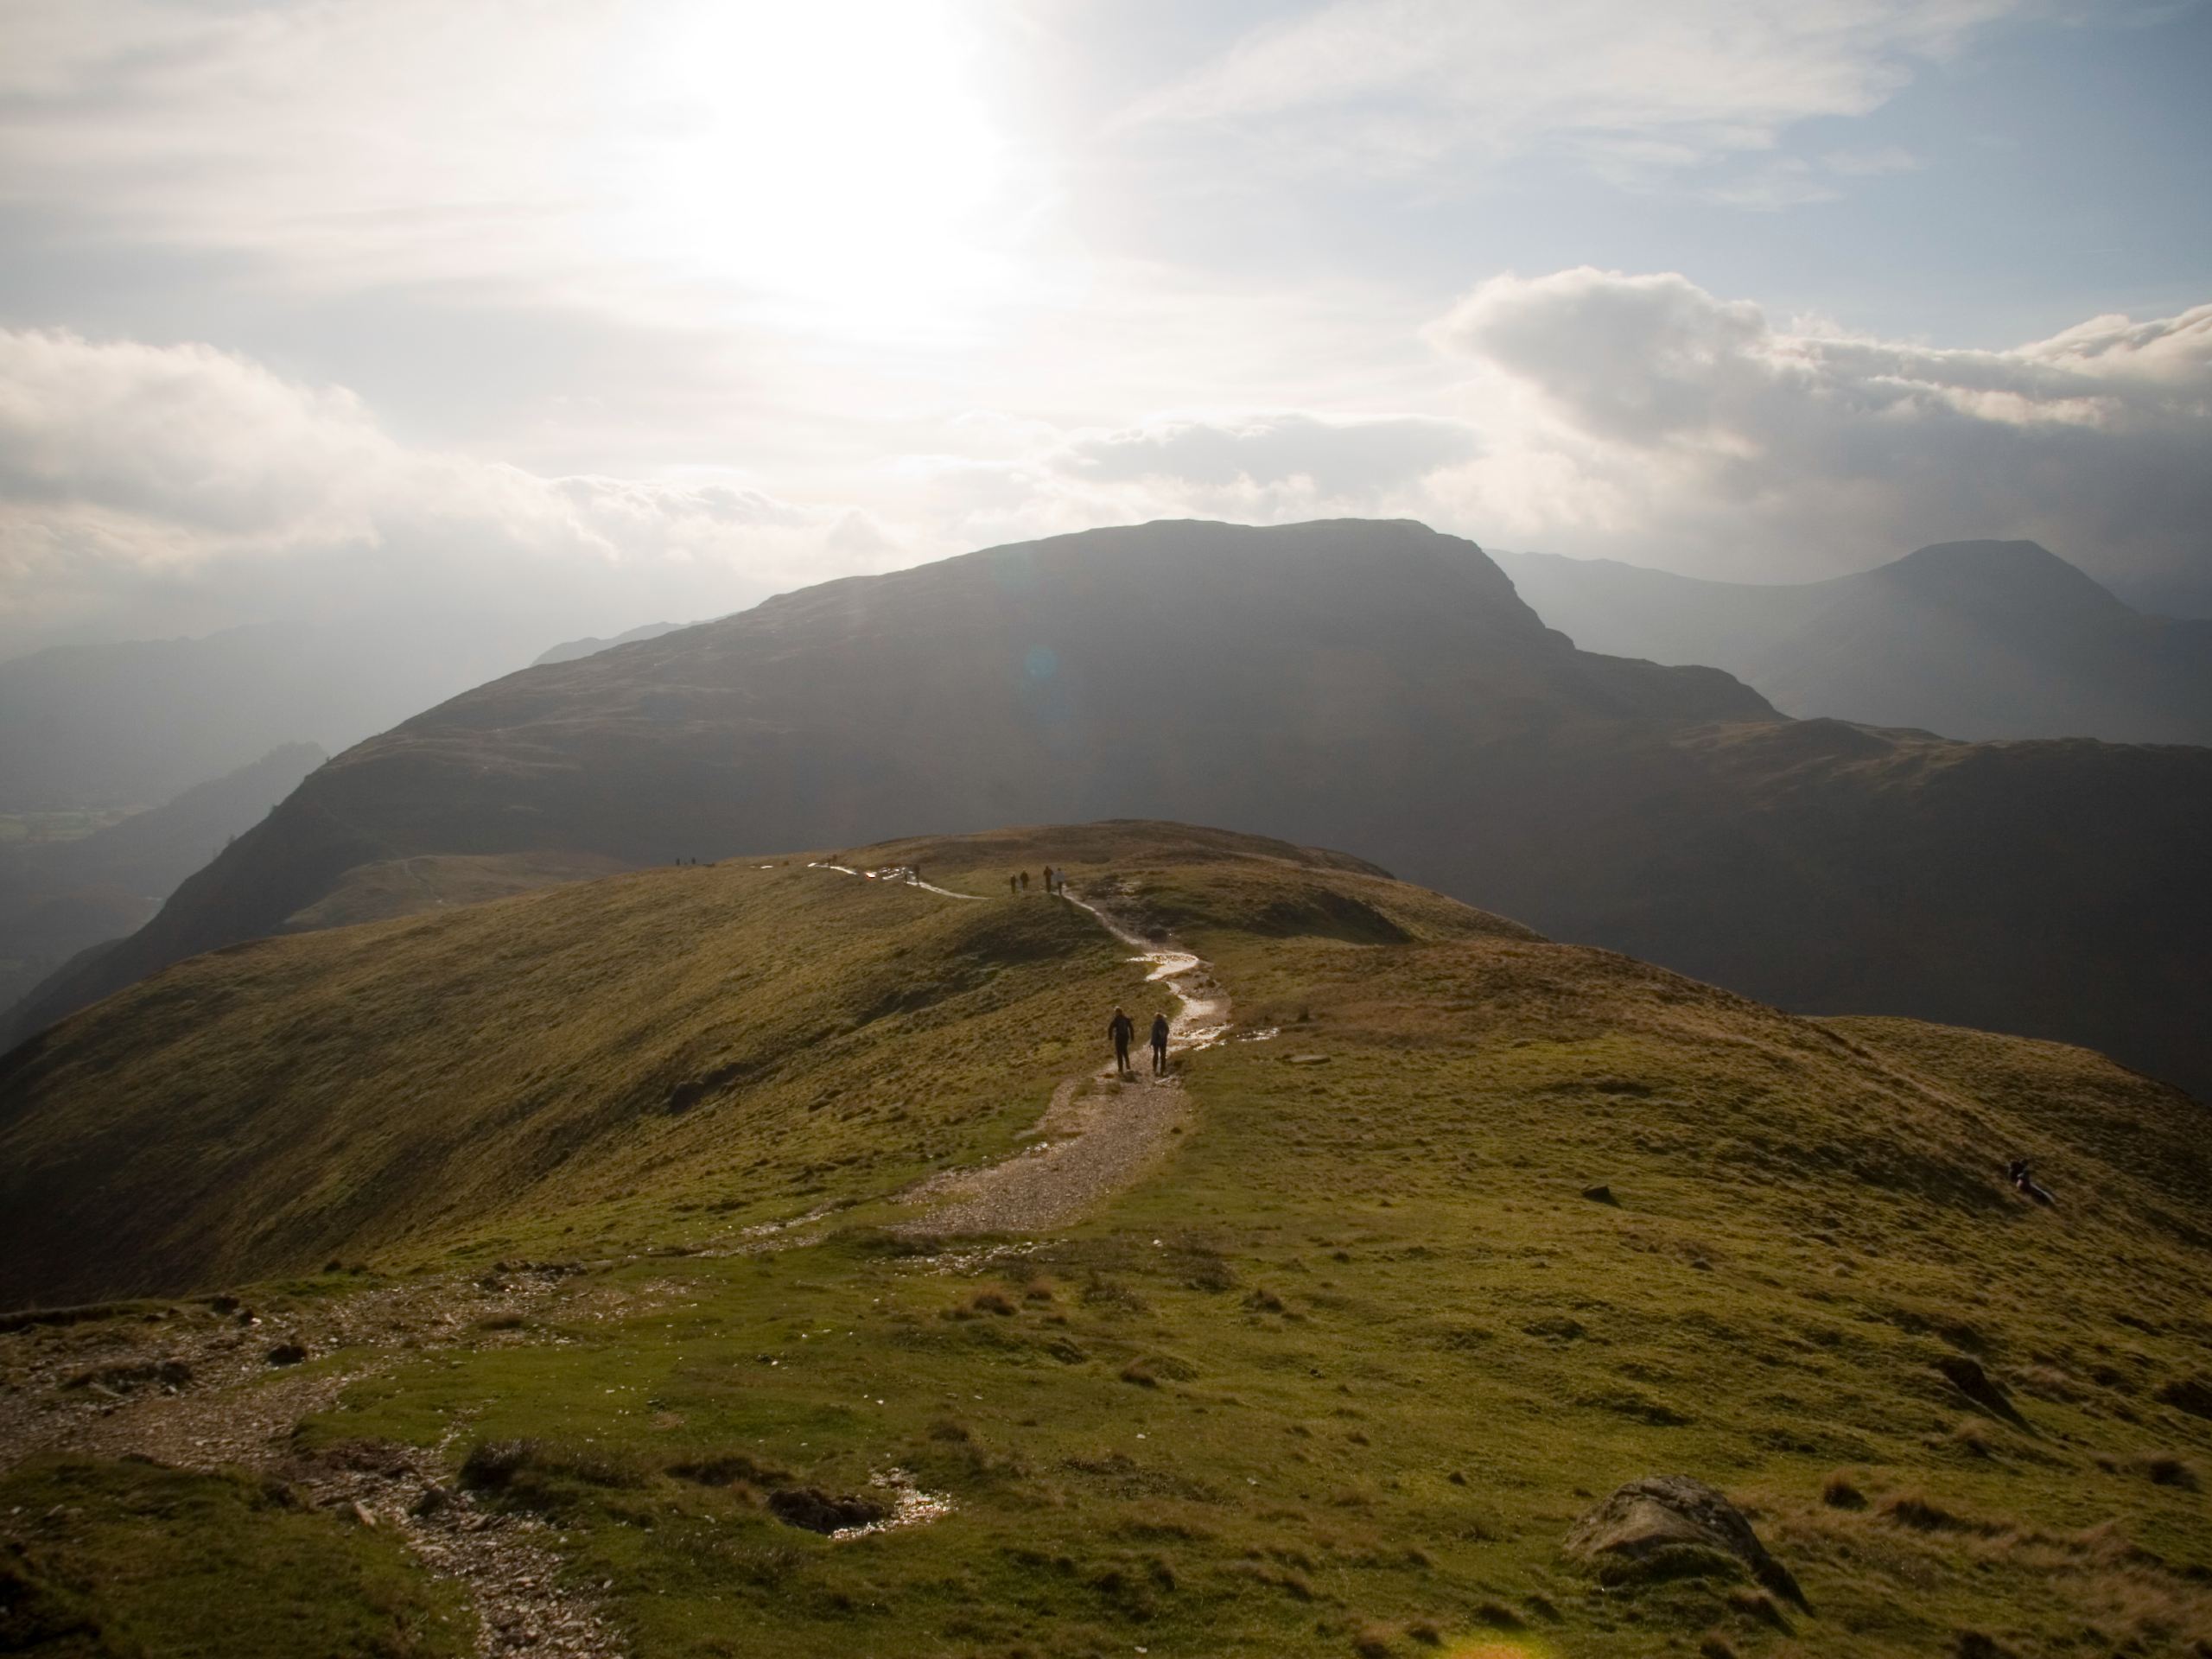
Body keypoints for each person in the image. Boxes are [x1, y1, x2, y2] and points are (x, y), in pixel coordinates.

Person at [1109, 1007, 1135, 1075]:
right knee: (1125, 1051)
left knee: (1119, 1053)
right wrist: (1132, 1037)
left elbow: (1110, 1028)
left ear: (1117, 1012)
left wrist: (1110, 1037)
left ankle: (1120, 1069)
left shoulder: (1116, 1019)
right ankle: (1128, 1066)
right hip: (1126, 1037)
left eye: (1115, 1012)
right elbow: (1131, 1028)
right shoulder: (1126, 1019)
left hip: (1119, 1038)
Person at [1150, 1012, 1170, 1076]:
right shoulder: (1164, 1024)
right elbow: (1167, 1031)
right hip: (1163, 1042)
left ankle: (1154, 1068)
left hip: (1156, 1042)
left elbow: (1153, 1034)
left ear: (1156, 1017)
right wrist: (1164, 1038)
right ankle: (1162, 1070)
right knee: (1163, 1055)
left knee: (1156, 1054)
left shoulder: (1155, 1024)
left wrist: (1152, 1042)